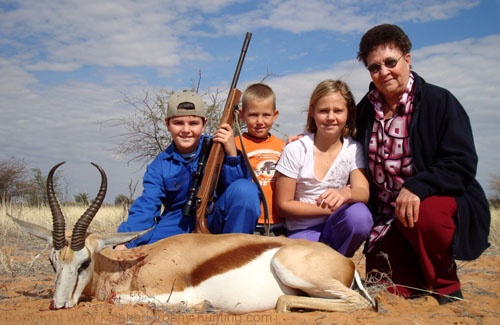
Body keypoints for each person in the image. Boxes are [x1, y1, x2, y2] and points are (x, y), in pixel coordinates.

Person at [355, 24, 490, 304]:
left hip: (429, 205)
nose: (384, 72)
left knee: (425, 213)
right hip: (387, 218)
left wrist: (418, 187)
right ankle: (415, 269)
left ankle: (446, 286)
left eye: (390, 62)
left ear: (408, 58)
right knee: (390, 292)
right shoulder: (364, 111)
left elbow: (462, 162)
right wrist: (306, 139)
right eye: (374, 67)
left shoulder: (439, 101)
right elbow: (339, 142)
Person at [116, 90, 261, 249]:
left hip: (215, 217)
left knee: (246, 189)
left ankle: (236, 255)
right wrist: (124, 242)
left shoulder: (219, 148)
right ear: (167, 124)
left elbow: (239, 193)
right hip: (177, 222)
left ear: (204, 124)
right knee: (142, 252)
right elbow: (147, 206)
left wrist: (232, 154)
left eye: (193, 123)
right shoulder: (160, 164)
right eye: (178, 123)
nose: (186, 130)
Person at [275, 80, 373, 257]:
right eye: (323, 111)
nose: (330, 117)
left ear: (349, 112)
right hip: (303, 228)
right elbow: (284, 204)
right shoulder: (296, 149)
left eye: (338, 111)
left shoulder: (353, 149)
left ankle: (338, 261)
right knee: (304, 265)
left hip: (335, 225)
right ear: (312, 112)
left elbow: (362, 192)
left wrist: (345, 194)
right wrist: (330, 208)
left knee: (360, 216)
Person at [235, 83, 285, 232]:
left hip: (279, 223)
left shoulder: (283, 146)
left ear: (275, 115)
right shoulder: (235, 144)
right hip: (250, 223)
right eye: (253, 115)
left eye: (266, 115)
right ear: (242, 116)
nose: (260, 121)